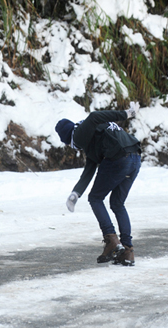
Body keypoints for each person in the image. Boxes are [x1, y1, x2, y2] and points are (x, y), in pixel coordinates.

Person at [55, 102, 141, 266]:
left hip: (119, 158)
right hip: (135, 156)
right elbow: (90, 168)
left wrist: (126, 114)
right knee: (117, 203)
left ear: (67, 139)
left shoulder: (79, 133)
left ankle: (112, 241)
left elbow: (94, 116)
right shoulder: (92, 139)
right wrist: (75, 194)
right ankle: (128, 252)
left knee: (95, 198)